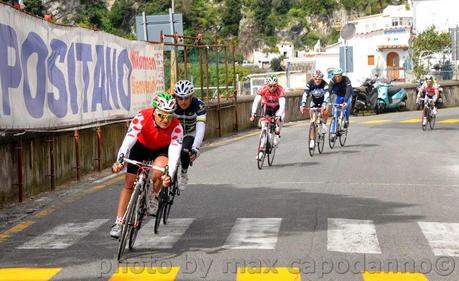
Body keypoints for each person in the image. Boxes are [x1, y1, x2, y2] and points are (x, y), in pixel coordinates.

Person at [109, 92, 183, 239]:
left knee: (158, 171)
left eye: (169, 116)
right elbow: (128, 141)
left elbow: (174, 154)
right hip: (141, 146)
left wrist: (168, 175)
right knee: (129, 184)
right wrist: (120, 161)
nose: (165, 120)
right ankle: (118, 223)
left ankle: (154, 196)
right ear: (154, 111)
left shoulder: (177, 127)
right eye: (161, 115)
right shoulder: (142, 117)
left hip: (161, 150)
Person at [173, 80, 206, 190]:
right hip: (174, 133)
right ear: (175, 96)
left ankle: (184, 173)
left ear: (191, 96)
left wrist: (195, 148)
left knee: (184, 151)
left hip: (190, 133)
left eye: (186, 98)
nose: (183, 102)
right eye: (180, 98)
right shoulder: (170, 102)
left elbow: (200, 128)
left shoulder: (199, 105)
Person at [250, 73, 286, 159]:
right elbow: (256, 102)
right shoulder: (263, 89)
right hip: (267, 107)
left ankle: (277, 133)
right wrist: (253, 113)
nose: (272, 88)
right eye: (270, 86)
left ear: (277, 85)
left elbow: (282, 105)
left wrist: (279, 116)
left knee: (280, 118)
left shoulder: (280, 90)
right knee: (263, 127)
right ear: (267, 85)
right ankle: (261, 150)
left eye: (274, 86)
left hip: (277, 108)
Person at [300, 70, 330, 149]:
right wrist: (302, 104)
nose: (317, 81)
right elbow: (305, 94)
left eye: (319, 79)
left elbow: (327, 95)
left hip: (324, 101)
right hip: (314, 102)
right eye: (316, 79)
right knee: (312, 122)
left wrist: (324, 104)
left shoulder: (325, 84)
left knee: (326, 109)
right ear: (313, 78)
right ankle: (312, 140)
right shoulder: (309, 83)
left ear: (321, 79)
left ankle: (323, 124)